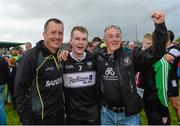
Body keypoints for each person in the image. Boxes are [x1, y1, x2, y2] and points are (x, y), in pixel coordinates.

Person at [96, 11, 169, 125]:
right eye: (110, 36)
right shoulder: (98, 57)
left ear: (121, 39)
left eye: (117, 36)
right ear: (105, 40)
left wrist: (159, 26)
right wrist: (63, 53)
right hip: (106, 114)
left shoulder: (131, 56)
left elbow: (156, 53)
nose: (114, 39)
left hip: (129, 116)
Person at [14, 18, 65, 125]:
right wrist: (28, 122)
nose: (57, 36)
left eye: (60, 33)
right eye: (53, 32)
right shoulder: (31, 57)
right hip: (41, 119)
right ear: (44, 34)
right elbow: (20, 93)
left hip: (59, 116)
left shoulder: (60, 55)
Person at [62, 26, 100, 125]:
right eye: (77, 38)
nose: (81, 42)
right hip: (72, 116)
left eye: (84, 39)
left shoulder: (94, 59)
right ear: (71, 41)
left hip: (92, 115)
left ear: (87, 42)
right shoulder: (63, 61)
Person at [137, 32, 170, 124]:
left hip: (146, 100)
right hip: (156, 104)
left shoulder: (141, 58)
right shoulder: (161, 63)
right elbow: (162, 90)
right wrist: (165, 112)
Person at [164, 30, 180, 124]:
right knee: (162, 104)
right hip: (162, 80)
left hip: (171, 80)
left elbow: (167, 59)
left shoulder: (176, 48)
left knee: (175, 104)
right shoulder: (162, 49)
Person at [0, 56, 10, 125]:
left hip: (1, 85)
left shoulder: (3, 60)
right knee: (0, 106)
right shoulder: (3, 60)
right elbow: (8, 74)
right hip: (1, 85)